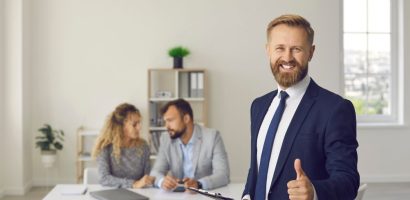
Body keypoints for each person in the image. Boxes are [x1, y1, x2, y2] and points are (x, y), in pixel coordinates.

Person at [242, 14, 359, 200]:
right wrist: (247, 195)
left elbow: (348, 181)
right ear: (268, 50)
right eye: (279, 48)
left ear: (311, 52)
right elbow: (257, 167)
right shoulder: (258, 106)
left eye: (296, 49)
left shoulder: (335, 109)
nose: (287, 57)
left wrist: (314, 192)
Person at [150, 98, 230, 191]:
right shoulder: (165, 139)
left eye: (170, 120)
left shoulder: (212, 137)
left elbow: (223, 175)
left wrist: (199, 184)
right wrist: (162, 181)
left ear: (186, 119)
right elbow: (155, 172)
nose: (166, 126)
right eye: (165, 121)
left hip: (203, 196)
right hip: (177, 196)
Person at [92, 103, 155, 188]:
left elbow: (147, 177)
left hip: (138, 195)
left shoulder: (144, 146)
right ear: (121, 126)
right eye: (134, 124)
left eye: (139, 123)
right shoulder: (105, 146)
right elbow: (104, 178)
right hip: (112, 194)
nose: (139, 127)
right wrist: (133, 184)